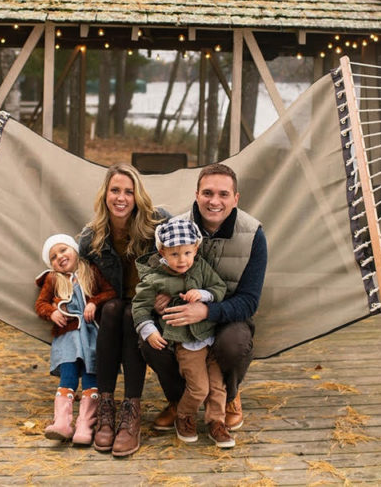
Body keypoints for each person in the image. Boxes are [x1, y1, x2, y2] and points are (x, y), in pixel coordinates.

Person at [141, 163, 267, 434]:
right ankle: (179, 401)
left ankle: (229, 397)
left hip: (227, 315)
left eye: (223, 194)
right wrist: (158, 295)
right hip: (181, 313)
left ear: (236, 198)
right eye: (207, 193)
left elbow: (249, 301)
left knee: (234, 343)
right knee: (150, 340)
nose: (214, 201)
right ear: (197, 194)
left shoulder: (253, 234)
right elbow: (153, 270)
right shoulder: (175, 228)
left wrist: (207, 311)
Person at [78, 163, 167, 457]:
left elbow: (188, 256)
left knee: (132, 313)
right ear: (105, 194)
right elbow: (75, 276)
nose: (121, 197)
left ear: (137, 196)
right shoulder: (91, 237)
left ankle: (131, 410)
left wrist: (168, 292)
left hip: (148, 310)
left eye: (129, 192)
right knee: (116, 308)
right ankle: (106, 407)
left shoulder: (158, 225)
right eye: (115, 190)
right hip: (111, 309)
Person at [132, 218, 235, 448]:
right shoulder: (155, 278)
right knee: (199, 387)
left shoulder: (200, 267)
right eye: (175, 254)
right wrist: (148, 330)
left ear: (196, 249)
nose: (182, 260)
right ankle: (185, 415)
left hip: (211, 336)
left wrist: (204, 294)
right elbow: (139, 306)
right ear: (162, 251)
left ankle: (216, 423)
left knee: (218, 386)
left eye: (187, 253)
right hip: (187, 342)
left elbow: (219, 288)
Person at [34, 233, 115, 445]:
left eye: (63, 250)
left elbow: (110, 292)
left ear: (75, 251)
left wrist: (94, 302)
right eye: (53, 256)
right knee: (68, 377)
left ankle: (85, 425)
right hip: (67, 337)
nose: (59, 257)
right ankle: (62, 423)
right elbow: (40, 304)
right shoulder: (53, 279)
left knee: (91, 376)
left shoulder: (91, 272)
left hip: (90, 335)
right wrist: (51, 312)